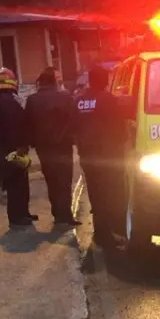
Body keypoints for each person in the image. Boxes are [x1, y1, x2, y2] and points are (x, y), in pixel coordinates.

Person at [73, 64, 126, 247]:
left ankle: (100, 232)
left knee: (95, 194)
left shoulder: (79, 99)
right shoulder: (107, 98)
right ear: (104, 80)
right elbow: (118, 126)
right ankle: (106, 235)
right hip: (106, 155)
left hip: (87, 155)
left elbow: (75, 125)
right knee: (108, 195)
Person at [26, 67, 80, 227]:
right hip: (63, 145)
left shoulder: (32, 100)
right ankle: (66, 215)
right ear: (54, 82)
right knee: (64, 180)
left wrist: (31, 143)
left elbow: (28, 123)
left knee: (51, 180)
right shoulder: (65, 98)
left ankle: (57, 213)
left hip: (43, 147)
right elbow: (73, 120)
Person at [0, 70, 34, 227]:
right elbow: (15, 127)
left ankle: (22, 214)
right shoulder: (8, 102)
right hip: (12, 150)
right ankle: (18, 217)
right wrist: (20, 146)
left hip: (3, 149)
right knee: (17, 185)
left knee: (16, 184)